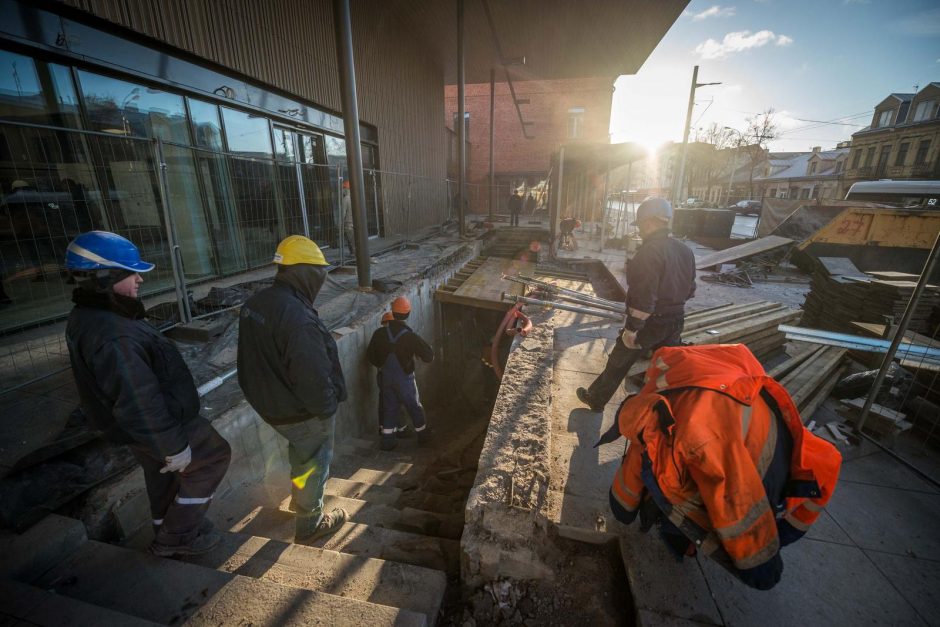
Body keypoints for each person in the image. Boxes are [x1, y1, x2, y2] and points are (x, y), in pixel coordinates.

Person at [600, 343, 841, 590]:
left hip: (784, 486)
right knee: (667, 471)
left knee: (687, 496)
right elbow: (643, 451)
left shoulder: (701, 433)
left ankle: (682, 538)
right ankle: (681, 535)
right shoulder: (659, 399)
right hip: (734, 438)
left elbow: (736, 498)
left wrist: (760, 561)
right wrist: (622, 503)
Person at [64, 231, 231, 557]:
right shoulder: (114, 335)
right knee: (212, 457)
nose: (140, 279)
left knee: (162, 475)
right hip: (160, 424)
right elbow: (138, 398)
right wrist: (173, 445)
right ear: (104, 278)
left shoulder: (95, 315)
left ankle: (165, 526)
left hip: (135, 428)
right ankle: (178, 537)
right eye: (131, 273)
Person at [237, 235, 348, 543]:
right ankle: (310, 522)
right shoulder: (298, 319)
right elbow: (310, 376)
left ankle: (301, 499)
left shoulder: (257, 303)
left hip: (272, 404)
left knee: (301, 450)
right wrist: (326, 408)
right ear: (306, 273)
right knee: (315, 458)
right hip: (300, 409)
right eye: (320, 273)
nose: (322, 280)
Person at [576, 198, 694, 412]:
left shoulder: (648, 252)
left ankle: (596, 398)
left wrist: (632, 329)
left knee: (619, 361)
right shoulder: (684, 250)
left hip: (650, 323)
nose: (639, 231)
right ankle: (662, 410)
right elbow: (691, 289)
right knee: (665, 369)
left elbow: (643, 298)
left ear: (649, 223)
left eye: (640, 225)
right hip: (676, 319)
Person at [366, 296, 434, 450]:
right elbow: (429, 356)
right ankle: (423, 435)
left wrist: (382, 365)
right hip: (405, 379)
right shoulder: (410, 336)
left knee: (389, 407)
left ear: (392, 312)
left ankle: (388, 441)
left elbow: (371, 356)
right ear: (408, 313)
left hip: (385, 377)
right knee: (414, 406)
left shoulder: (379, 334)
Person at [341, 180, 355, 257]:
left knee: (351, 241)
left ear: (346, 189)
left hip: (348, 224)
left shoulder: (345, 199)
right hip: (355, 223)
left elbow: (342, 214)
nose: (342, 190)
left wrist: (340, 224)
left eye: (343, 188)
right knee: (355, 240)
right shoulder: (355, 198)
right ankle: (355, 253)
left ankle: (354, 254)